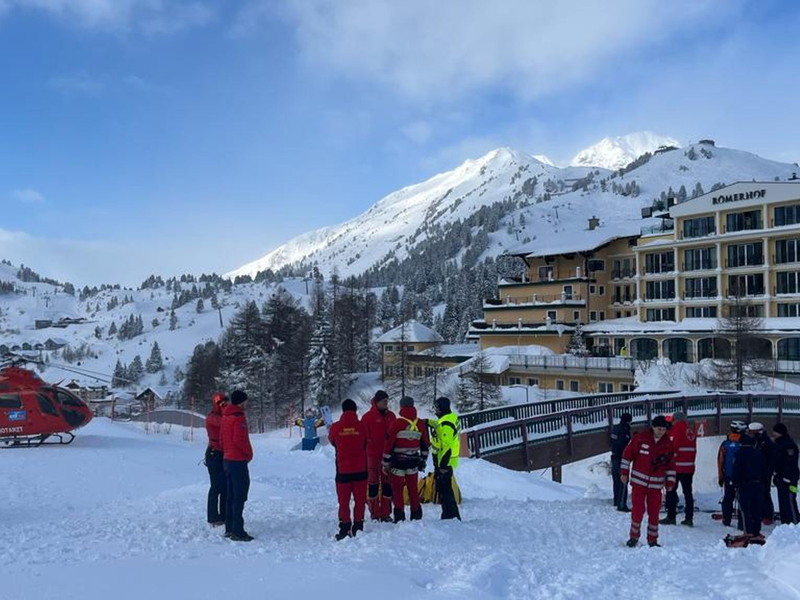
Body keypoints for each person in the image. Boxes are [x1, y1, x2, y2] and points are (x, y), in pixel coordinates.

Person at [620, 415, 675, 547]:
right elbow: (627, 456)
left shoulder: (668, 444)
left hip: (656, 486)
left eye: (663, 429)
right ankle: (633, 537)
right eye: (659, 429)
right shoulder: (640, 438)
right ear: (653, 427)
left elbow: (671, 465)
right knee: (638, 511)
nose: (661, 432)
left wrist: (670, 482)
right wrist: (624, 473)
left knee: (654, 513)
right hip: (639, 484)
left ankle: (652, 540)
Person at [383, 396, 429, 523]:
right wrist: (423, 460)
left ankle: (400, 516)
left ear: (401, 407)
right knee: (413, 489)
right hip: (413, 462)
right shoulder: (419, 423)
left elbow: (389, 444)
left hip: (398, 462)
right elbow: (425, 445)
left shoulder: (397, 423)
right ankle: (416, 514)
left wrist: (385, 462)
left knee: (397, 491)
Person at [328, 399, 368, 541]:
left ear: (343, 410)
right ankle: (358, 526)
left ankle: (345, 527)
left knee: (343, 502)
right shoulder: (362, 426)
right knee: (360, 500)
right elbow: (366, 441)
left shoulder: (335, 427)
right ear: (355, 410)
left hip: (343, 471)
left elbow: (333, 442)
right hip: (361, 470)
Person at [221, 389, 253, 542]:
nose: (247, 403)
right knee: (239, 495)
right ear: (241, 402)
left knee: (230, 496)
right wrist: (248, 454)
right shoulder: (238, 418)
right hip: (237, 461)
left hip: (227, 459)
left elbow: (221, 440)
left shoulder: (226, 417)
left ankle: (229, 528)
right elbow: (239, 440)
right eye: (246, 401)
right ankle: (238, 530)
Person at [362, 390, 396, 521]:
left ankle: (386, 513)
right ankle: (374, 513)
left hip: (388, 456)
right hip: (372, 457)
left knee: (387, 485)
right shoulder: (367, 417)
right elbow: (363, 438)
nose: (386, 403)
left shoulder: (391, 416)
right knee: (373, 485)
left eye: (387, 401)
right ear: (377, 402)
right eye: (384, 401)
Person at [662, 411, 696, 526]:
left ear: (675, 420)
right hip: (689, 467)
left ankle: (671, 516)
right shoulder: (690, 431)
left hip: (676, 467)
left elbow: (673, 448)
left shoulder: (676, 430)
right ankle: (689, 518)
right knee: (688, 493)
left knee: (671, 490)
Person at [429, 396, 461, 520]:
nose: (435, 410)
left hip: (445, 463)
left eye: (436, 408)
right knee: (445, 489)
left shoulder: (446, 424)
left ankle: (450, 516)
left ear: (441, 409)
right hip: (447, 462)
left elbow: (446, 447)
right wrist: (428, 422)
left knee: (445, 491)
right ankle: (451, 515)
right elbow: (439, 424)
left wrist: (442, 465)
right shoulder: (449, 418)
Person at [733, 430, 764, 542]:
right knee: (756, 509)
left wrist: (735, 482)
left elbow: (736, 470)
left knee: (746, 509)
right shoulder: (757, 452)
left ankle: (748, 531)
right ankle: (756, 530)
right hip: (758, 484)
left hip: (745, 484)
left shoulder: (740, 453)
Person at [205, 392, 227, 527]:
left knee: (225, 486)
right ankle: (213, 517)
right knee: (216, 486)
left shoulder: (222, 415)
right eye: (221, 402)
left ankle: (224, 515)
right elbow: (224, 423)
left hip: (223, 453)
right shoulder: (212, 417)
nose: (224, 404)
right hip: (214, 453)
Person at [718, 420, 745, 529]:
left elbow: (720, 461)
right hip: (742, 477)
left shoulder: (725, 444)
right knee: (742, 498)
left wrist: (720, 477)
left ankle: (726, 519)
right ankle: (741, 522)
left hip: (728, 476)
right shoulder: (743, 443)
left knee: (728, 498)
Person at [772, 422, 800, 525]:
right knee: (783, 502)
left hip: (790, 479)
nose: (773, 434)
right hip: (781, 478)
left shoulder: (788, 445)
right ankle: (786, 524)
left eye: (775, 432)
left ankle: (796, 523)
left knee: (790, 500)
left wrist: (786, 477)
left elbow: (790, 463)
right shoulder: (779, 444)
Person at [749, 422, 776, 524]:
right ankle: (760, 513)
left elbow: (770, 459)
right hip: (757, 472)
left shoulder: (765, 443)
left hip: (764, 473)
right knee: (758, 494)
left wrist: (767, 472)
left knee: (765, 493)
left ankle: (768, 515)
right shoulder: (756, 442)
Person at [610, 412, 632, 512]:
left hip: (613, 457)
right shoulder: (624, 430)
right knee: (623, 480)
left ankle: (616, 500)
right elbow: (625, 445)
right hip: (621, 458)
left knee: (616, 480)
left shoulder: (615, 428)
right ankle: (622, 504)